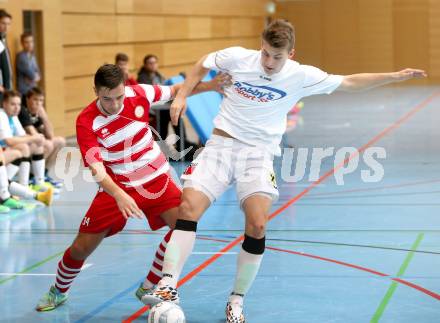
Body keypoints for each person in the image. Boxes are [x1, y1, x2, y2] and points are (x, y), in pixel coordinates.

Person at [141, 19, 427, 323]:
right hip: (221, 147)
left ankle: (236, 300)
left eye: (276, 57)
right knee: (188, 208)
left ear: (290, 54)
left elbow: (350, 82)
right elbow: (203, 62)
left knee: (258, 224)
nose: (268, 62)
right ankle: (167, 286)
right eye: (265, 53)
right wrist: (183, 94)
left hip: (258, 155)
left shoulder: (300, 76)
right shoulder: (239, 57)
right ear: (261, 46)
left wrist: (394, 76)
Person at [35, 64, 231, 311]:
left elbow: (176, 90)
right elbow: (97, 169)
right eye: (107, 98)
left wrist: (210, 86)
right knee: (81, 248)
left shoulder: (139, 93)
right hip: (117, 185)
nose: (115, 104)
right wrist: (119, 195)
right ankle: (58, 291)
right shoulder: (86, 121)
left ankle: (149, 285)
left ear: (124, 88)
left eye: (119, 97)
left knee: (184, 227)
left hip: (156, 179)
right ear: (95, 90)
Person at [137, 54, 198, 159]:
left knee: (175, 113)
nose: (153, 65)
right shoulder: (143, 79)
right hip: (152, 109)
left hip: (162, 106)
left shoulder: (159, 76)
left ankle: (181, 143)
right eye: (150, 63)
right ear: (146, 65)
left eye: (155, 63)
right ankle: (177, 145)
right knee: (169, 114)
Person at [0, 90, 53, 207]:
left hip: (3, 153)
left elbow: (22, 135)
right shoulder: (1, 115)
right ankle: (15, 189)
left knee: (32, 145)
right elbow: (8, 141)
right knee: (23, 147)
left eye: (18, 104)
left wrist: (35, 137)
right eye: (13, 104)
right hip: (3, 153)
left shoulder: (12, 117)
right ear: (4, 104)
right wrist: (32, 138)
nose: (16, 108)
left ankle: (37, 183)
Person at [19, 87, 65, 187]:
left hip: (34, 144)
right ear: (27, 99)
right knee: (47, 144)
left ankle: (43, 174)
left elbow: (50, 135)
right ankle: (32, 177)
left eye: (41, 100)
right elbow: (33, 134)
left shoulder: (37, 113)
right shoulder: (22, 111)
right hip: (23, 145)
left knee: (60, 141)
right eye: (35, 99)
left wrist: (45, 117)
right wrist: (42, 138)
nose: (38, 103)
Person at [0, 9, 13, 100]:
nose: (6, 27)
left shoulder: (3, 39)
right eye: (3, 23)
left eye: (8, 24)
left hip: (7, 90)